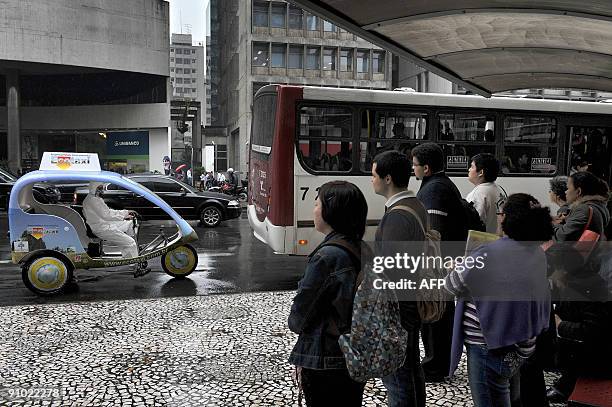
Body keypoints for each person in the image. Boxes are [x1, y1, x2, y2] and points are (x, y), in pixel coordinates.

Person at [446, 193, 553, 407]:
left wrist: (455, 267)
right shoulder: (536, 252)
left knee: (491, 399)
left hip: (488, 344)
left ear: (506, 218)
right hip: (521, 343)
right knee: (509, 393)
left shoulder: (488, 252)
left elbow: (452, 285)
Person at [288, 181, 368, 406]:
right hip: (354, 353)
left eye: (316, 204)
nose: (313, 210)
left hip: (326, 357)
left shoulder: (327, 257)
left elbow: (299, 317)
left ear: (331, 211)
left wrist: (294, 320)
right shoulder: (363, 248)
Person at [371, 150, 426, 407]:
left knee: (397, 379)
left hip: (397, 310)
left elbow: (391, 270)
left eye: (374, 174)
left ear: (388, 178)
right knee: (411, 370)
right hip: (411, 303)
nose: (372, 180)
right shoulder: (415, 205)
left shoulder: (397, 216)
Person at [411, 142, 466, 381]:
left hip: (438, 264)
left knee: (435, 317)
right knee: (438, 316)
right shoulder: (438, 185)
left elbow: (434, 231)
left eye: (415, 165)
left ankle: (435, 366)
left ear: (427, 167)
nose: (412, 169)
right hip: (444, 261)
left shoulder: (434, 190)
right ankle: (438, 363)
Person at [82, 182, 148, 277]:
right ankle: (135, 266)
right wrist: (124, 216)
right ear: (94, 188)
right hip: (102, 228)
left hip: (105, 224)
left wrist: (126, 212)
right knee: (131, 242)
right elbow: (107, 215)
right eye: (100, 188)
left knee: (129, 225)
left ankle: (129, 252)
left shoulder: (95, 198)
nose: (102, 190)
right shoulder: (93, 200)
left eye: (102, 188)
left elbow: (108, 211)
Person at [466, 153, 507, 234]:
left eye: (472, 167)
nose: (469, 169)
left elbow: (473, 224)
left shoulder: (477, 194)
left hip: (484, 242)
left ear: (481, 172)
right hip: (499, 241)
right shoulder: (499, 189)